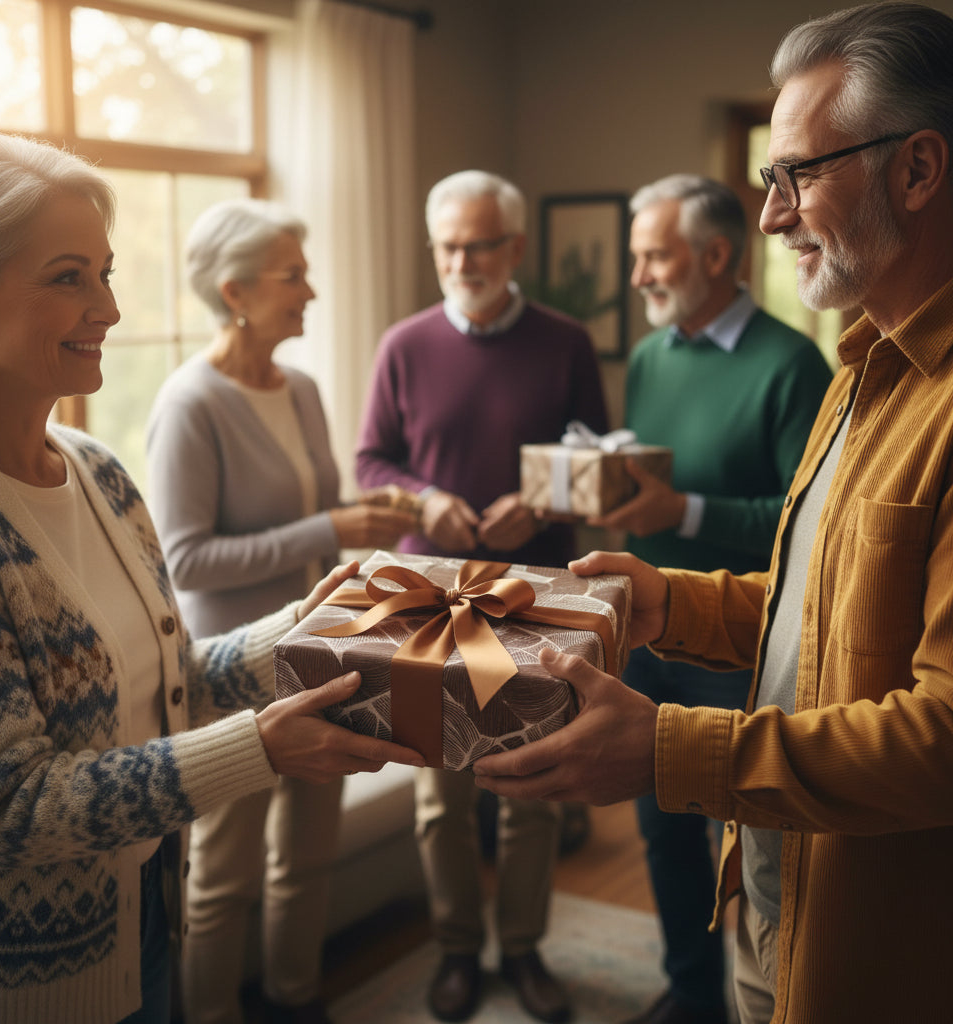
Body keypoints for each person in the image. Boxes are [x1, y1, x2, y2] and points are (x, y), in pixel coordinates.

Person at [473, 4, 953, 1023]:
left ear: (916, 171)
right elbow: (825, 602)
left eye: (796, 176)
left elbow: (943, 734)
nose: (771, 216)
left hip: (876, 949)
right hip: (776, 891)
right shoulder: (857, 368)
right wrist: (670, 600)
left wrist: (665, 750)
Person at [0, 130, 424, 1024]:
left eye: (107, 274)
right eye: (67, 278)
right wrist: (261, 749)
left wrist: (310, 620)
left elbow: (178, 685)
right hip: (25, 989)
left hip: (145, 929)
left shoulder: (99, 472)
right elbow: (3, 808)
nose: (109, 310)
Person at [145, 197, 417, 1024]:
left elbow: (319, 516)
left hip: (323, 656)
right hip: (229, 671)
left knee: (308, 856)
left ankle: (299, 1001)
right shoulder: (189, 403)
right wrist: (331, 525)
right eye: (293, 276)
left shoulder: (299, 388)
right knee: (223, 877)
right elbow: (186, 557)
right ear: (235, 291)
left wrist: (363, 519)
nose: (311, 292)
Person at [355, 169, 608, 1024]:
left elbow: (594, 462)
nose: (462, 259)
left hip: (538, 592)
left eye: (479, 244)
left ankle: (526, 947)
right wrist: (424, 500)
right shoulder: (402, 344)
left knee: (531, 788)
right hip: (430, 599)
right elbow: (371, 463)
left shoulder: (567, 342)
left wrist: (540, 501)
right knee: (442, 796)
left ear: (515, 249)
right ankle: (459, 948)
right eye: (448, 246)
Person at [595, 174, 832, 1024]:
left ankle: (757, 991)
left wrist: (682, 512)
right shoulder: (653, 355)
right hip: (650, 629)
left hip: (741, 638)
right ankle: (692, 989)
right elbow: (664, 475)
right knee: (660, 828)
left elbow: (811, 523)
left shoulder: (793, 365)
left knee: (750, 834)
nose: (638, 278)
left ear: (717, 255)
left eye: (653, 257)